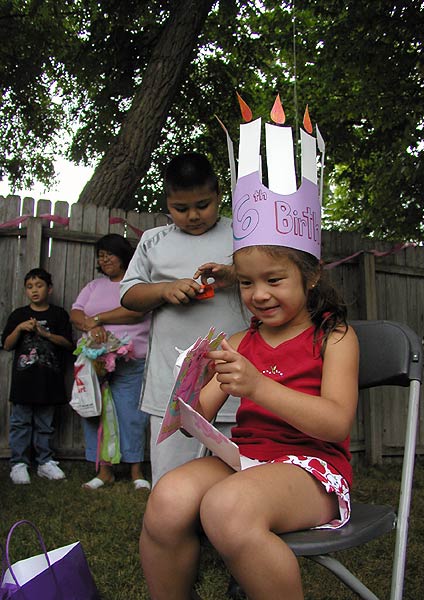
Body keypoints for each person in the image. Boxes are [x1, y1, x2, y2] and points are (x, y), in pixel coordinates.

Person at [139, 243, 359, 599]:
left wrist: (258, 387)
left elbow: (337, 424)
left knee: (226, 506)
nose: (259, 295)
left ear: (312, 275)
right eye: (245, 283)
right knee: (168, 499)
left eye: (274, 280)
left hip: (314, 470)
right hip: (245, 459)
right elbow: (197, 417)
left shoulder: (334, 336)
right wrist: (193, 380)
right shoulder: (240, 342)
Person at [120, 152, 248, 486]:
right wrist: (163, 290)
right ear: (167, 203)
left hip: (236, 384)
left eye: (203, 205)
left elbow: (271, 279)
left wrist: (235, 275)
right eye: (181, 208)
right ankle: (173, 534)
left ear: (219, 195)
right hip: (172, 388)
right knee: (171, 481)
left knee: (241, 476)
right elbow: (129, 296)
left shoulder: (243, 234)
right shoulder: (153, 241)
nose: (193, 216)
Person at [70, 233, 152, 490]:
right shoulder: (94, 286)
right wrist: (90, 327)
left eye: (109, 254)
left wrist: (98, 319)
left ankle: (137, 471)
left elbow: (136, 311)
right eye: (101, 255)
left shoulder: (136, 284)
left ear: (123, 256)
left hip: (131, 361)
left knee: (132, 416)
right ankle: (104, 471)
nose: (104, 260)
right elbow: (76, 312)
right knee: (96, 412)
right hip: (95, 362)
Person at [2, 268, 74, 484]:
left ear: (49, 289)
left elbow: (68, 344)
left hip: (49, 382)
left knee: (45, 424)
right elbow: (7, 345)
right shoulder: (18, 315)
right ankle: (19, 464)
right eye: (30, 287)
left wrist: (46, 334)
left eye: (39, 285)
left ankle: (44, 462)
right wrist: (19, 329)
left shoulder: (58, 314)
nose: (34, 290)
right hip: (23, 383)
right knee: (20, 423)